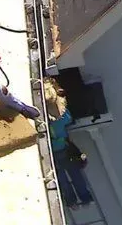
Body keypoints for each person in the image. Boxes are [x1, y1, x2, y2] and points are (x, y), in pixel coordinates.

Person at [45, 79, 94, 208]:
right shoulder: (62, 116)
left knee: (62, 179)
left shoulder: (47, 120)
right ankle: (85, 198)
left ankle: (71, 201)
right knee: (75, 174)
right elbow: (69, 119)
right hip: (65, 148)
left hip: (52, 152)